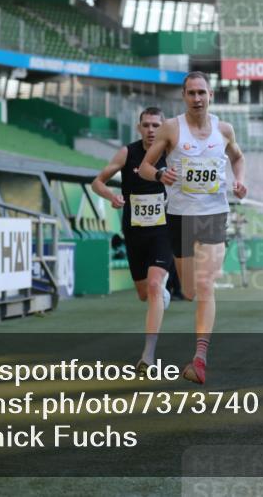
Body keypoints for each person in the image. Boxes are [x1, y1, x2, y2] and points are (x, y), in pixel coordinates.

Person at [139, 71, 247, 385]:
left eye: (202, 92)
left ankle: (200, 359)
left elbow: (238, 159)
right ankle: (178, 295)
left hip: (214, 213)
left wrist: (241, 181)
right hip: (179, 217)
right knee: (189, 290)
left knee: (205, 283)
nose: (197, 99)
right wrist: (160, 176)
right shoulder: (172, 128)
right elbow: (146, 166)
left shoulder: (224, 129)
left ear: (211, 95)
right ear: (184, 96)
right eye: (191, 93)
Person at [91, 107, 175, 373]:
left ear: (164, 128)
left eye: (156, 125)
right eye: (147, 125)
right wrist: (112, 197)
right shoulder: (127, 153)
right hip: (135, 233)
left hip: (164, 232)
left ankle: (148, 355)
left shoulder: (173, 154)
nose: (151, 130)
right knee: (144, 294)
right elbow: (98, 182)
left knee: (152, 285)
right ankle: (161, 294)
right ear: (139, 128)